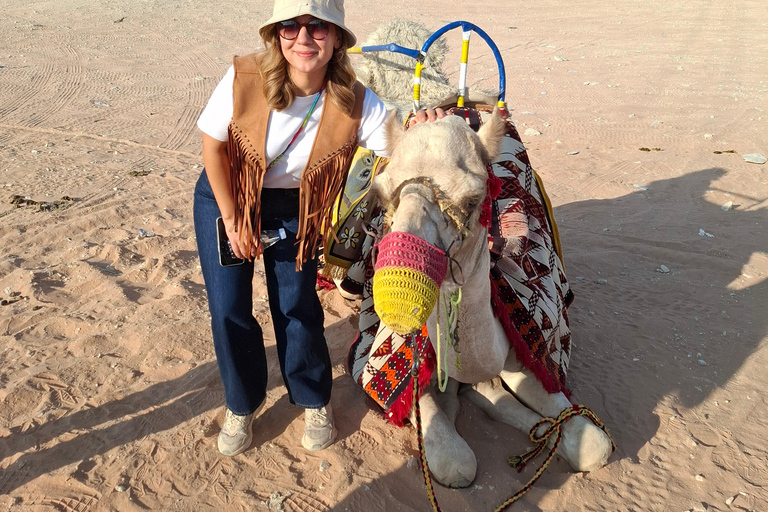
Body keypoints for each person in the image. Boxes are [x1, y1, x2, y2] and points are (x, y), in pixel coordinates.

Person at [194, 0, 445, 457]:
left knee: (296, 303)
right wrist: (233, 220)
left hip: (298, 207)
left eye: (318, 27)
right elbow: (212, 148)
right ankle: (241, 403)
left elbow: (401, 140)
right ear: (276, 34)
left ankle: (311, 397)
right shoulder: (244, 77)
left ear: (336, 38)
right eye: (290, 25)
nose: (304, 38)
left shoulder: (354, 99)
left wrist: (425, 124)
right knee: (228, 306)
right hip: (227, 194)